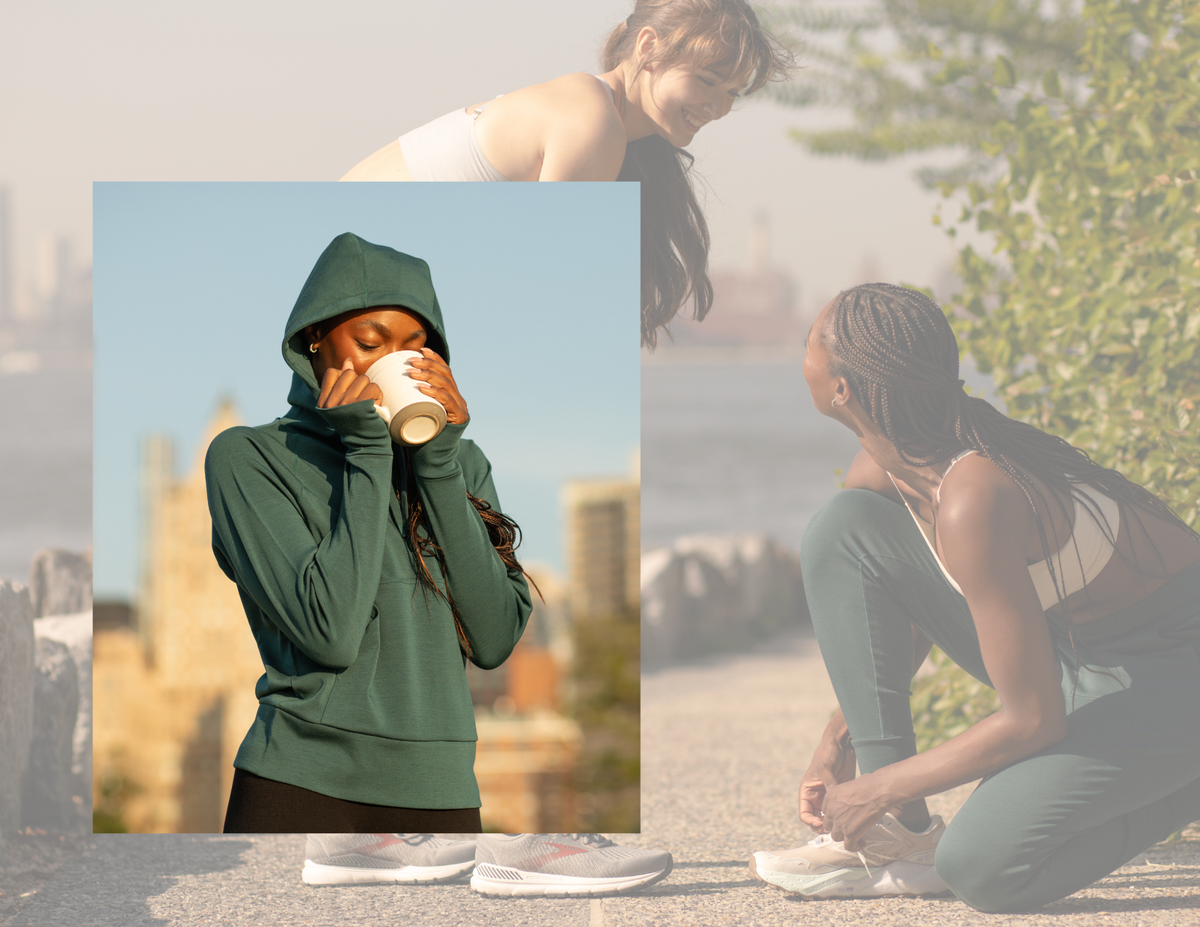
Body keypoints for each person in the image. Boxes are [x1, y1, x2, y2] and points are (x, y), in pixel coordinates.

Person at [750, 283, 1200, 911]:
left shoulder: (974, 494)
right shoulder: (887, 467)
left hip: (1172, 671)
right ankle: (899, 836)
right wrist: (836, 744)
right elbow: (906, 613)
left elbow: (1032, 719)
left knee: (982, 870)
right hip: (1073, 652)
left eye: (808, 344)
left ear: (842, 389)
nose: (802, 355)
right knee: (841, 530)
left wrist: (877, 786)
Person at [205, 232, 535, 832]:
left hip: (444, 795)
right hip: (298, 786)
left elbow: (493, 640)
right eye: (369, 342)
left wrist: (436, 462)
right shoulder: (248, 459)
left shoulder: (463, 466)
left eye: (417, 347)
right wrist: (365, 451)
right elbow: (329, 633)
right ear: (315, 339)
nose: (393, 362)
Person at [340, 0, 793, 349]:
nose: (718, 108)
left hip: (368, 271)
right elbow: (546, 292)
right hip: (353, 272)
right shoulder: (591, 124)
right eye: (708, 81)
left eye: (732, 92)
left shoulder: (597, 111)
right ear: (649, 46)